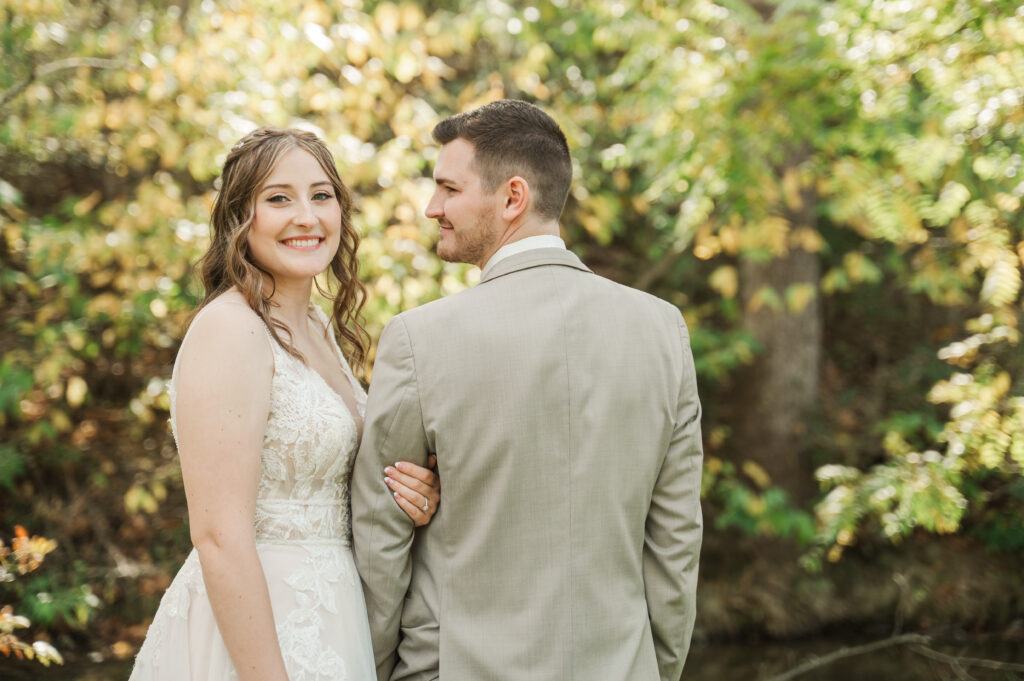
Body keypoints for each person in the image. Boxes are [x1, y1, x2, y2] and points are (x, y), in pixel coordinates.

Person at [351, 99, 704, 681]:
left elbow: (379, 533)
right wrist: (655, 668)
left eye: (448, 188)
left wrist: (379, 666)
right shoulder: (663, 329)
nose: (431, 207)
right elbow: (675, 540)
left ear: (512, 197)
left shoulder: (418, 339)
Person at [129, 127, 441, 681]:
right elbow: (220, 536)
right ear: (238, 219)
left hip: (333, 616)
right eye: (278, 198)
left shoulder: (319, 328)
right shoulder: (230, 330)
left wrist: (411, 493)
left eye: (322, 196)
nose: (307, 216)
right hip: (255, 632)